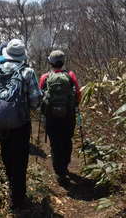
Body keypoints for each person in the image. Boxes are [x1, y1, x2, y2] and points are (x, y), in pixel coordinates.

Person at [0, 39, 41, 210]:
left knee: (7, 156)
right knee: (20, 160)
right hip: (20, 123)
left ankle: (12, 189)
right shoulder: (27, 72)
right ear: (22, 56)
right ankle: (18, 199)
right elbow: (36, 99)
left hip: (0, 123)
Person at [39, 50, 81, 182]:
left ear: (50, 62)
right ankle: (65, 164)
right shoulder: (70, 75)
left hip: (51, 116)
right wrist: (74, 105)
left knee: (55, 142)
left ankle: (59, 171)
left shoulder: (45, 77)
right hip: (68, 115)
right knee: (67, 139)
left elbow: (40, 95)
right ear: (63, 62)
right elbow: (78, 94)